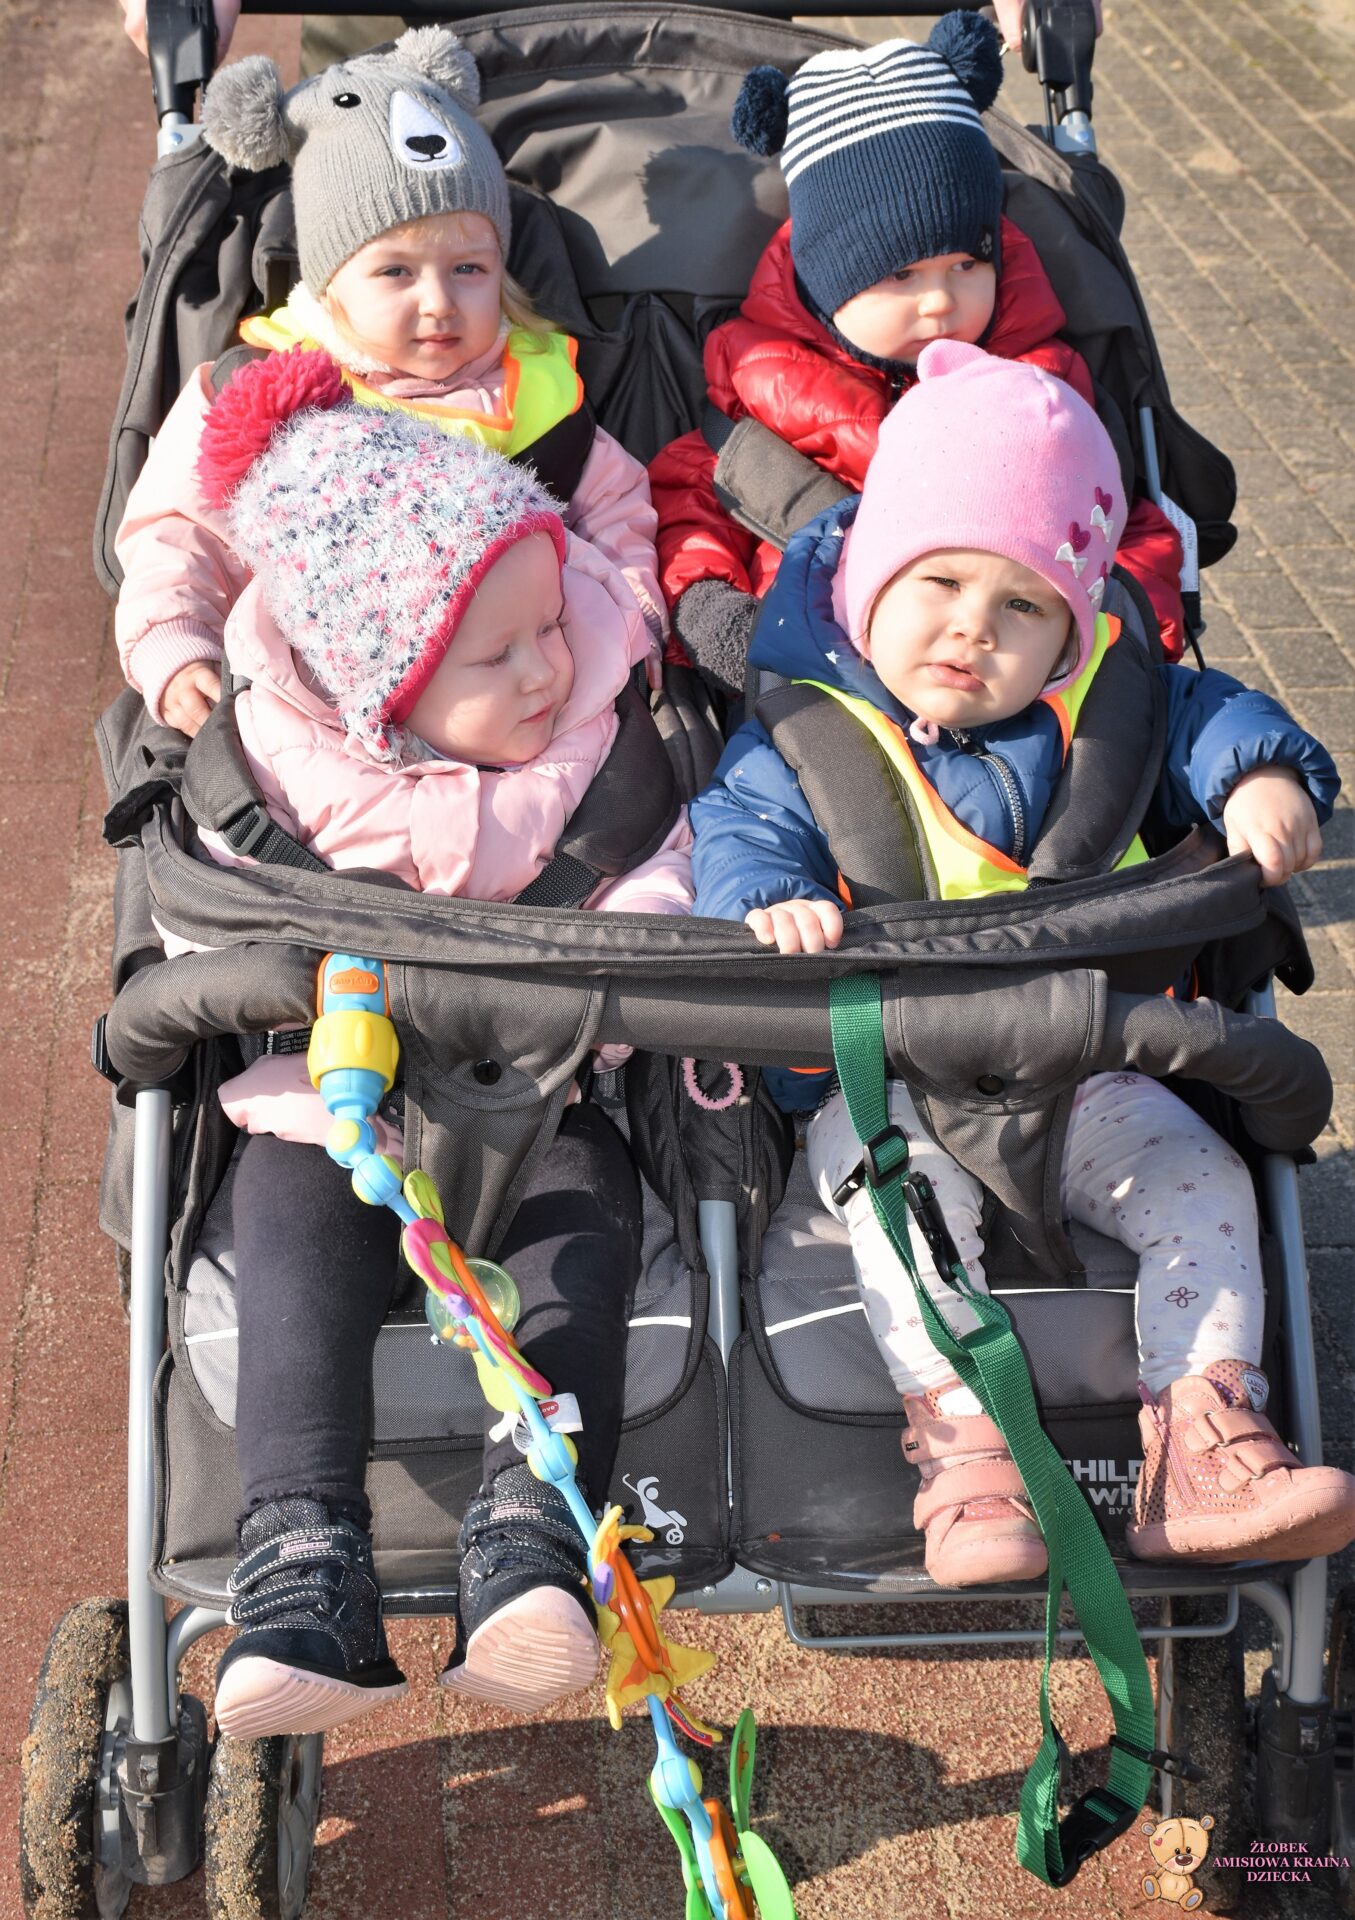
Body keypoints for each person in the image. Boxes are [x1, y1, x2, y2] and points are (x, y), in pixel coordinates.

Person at [690, 340, 1355, 1588]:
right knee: (898, 1220)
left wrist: (1261, 778)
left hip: (1087, 1065)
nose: (970, 629)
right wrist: (768, 898)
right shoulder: (800, 726)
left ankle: (1201, 1439)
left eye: (1020, 607)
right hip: (881, 1079)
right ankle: (970, 1456)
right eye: (938, 582)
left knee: (1203, 1183)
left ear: (1069, 629)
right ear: (868, 582)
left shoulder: (1113, 704)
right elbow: (736, 825)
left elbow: (1212, 716)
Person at [182, 346, 692, 1738]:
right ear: (381, 692)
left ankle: (532, 1537)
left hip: (548, 1097)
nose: (546, 669)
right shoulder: (282, 779)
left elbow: (656, 855)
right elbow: (208, 910)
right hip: (334, 1107)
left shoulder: (585, 737)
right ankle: (300, 1560)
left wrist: (642, 935)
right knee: (289, 1234)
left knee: (577, 1241)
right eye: (497, 653)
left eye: (550, 626)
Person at [115, 26, 666, 738]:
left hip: (523, 701)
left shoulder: (532, 391)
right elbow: (178, 529)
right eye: (396, 271)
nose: (438, 302)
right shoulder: (263, 390)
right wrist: (174, 635)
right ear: (329, 280)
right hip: (321, 711)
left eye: (468, 269)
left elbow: (615, 509)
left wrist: (630, 613)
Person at [650, 12, 1184, 707]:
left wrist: (1120, 634)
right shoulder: (760, 386)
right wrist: (714, 614)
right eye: (900, 275)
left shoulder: (1043, 390)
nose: (940, 302)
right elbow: (694, 504)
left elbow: (1123, 523)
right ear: (823, 281)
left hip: (1016, 687)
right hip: (808, 689)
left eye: (967, 264)